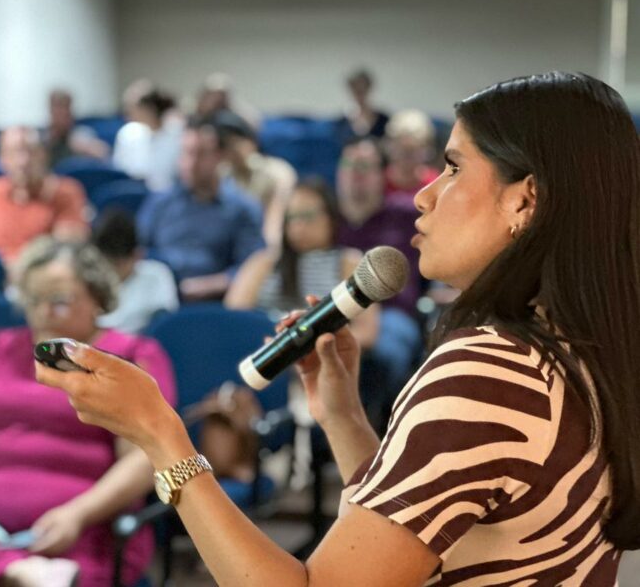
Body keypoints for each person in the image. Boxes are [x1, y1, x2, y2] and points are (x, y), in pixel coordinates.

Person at [36, 72, 638, 585]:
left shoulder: (490, 373)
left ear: (524, 201)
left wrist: (160, 434)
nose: (426, 195)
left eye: (452, 167)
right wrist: (343, 415)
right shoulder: (572, 349)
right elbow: (418, 534)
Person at [0, 238, 177, 587]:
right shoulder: (0, 347)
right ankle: (15, 567)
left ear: (97, 298)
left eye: (59, 300)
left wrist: (77, 515)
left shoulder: (129, 358)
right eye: (33, 300)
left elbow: (145, 460)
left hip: (87, 529)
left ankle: (11, 568)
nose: (43, 312)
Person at [225, 178, 418, 432]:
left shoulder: (347, 261)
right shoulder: (265, 262)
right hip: (268, 357)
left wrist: (316, 346)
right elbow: (230, 318)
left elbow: (368, 332)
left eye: (307, 215)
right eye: (292, 217)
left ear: (329, 216)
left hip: (325, 362)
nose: (299, 225)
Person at [135, 119, 266, 301]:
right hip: (159, 299)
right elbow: (138, 253)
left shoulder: (243, 209)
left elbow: (253, 268)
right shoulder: (160, 203)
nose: (191, 164)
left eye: (200, 154)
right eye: (186, 153)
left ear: (220, 156)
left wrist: (206, 286)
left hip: (216, 304)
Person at [0, 127, 89, 266]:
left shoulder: (66, 192)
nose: (23, 161)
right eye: (14, 152)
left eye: (31, 152)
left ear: (44, 155)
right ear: (1, 159)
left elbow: (67, 253)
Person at [335, 136, 422, 317]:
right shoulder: (326, 218)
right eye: (347, 164)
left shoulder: (409, 214)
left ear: (383, 174)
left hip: (390, 313)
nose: (355, 173)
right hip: (337, 310)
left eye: (364, 166)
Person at [214, 110, 297, 248]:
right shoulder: (221, 175)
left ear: (251, 140)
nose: (231, 150)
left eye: (235, 142)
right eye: (224, 145)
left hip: (264, 244)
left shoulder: (277, 172)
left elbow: (274, 225)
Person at [92, 209, 179, 334]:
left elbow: (164, 325)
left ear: (137, 255)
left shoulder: (157, 275)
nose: (110, 270)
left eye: (117, 264)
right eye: (105, 263)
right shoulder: (89, 280)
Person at [112, 86, 183, 192]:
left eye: (133, 107)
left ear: (150, 109)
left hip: (168, 195)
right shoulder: (128, 133)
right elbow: (120, 170)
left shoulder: (178, 134)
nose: (127, 112)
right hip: (135, 193)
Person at [383, 110, 441, 206]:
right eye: (402, 151)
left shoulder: (434, 183)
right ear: (390, 147)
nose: (406, 160)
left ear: (426, 150)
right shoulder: (379, 182)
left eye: (412, 152)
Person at [41, 89, 109, 167]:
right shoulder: (42, 137)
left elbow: (104, 154)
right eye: (57, 108)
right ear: (51, 110)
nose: (61, 113)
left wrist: (86, 147)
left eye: (64, 108)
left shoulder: (81, 133)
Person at [335, 68, 390, 147]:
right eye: (356, 90)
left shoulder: (383, 120)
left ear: (369, 89)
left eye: (362, 90)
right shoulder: (342, 122)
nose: (360, 94)